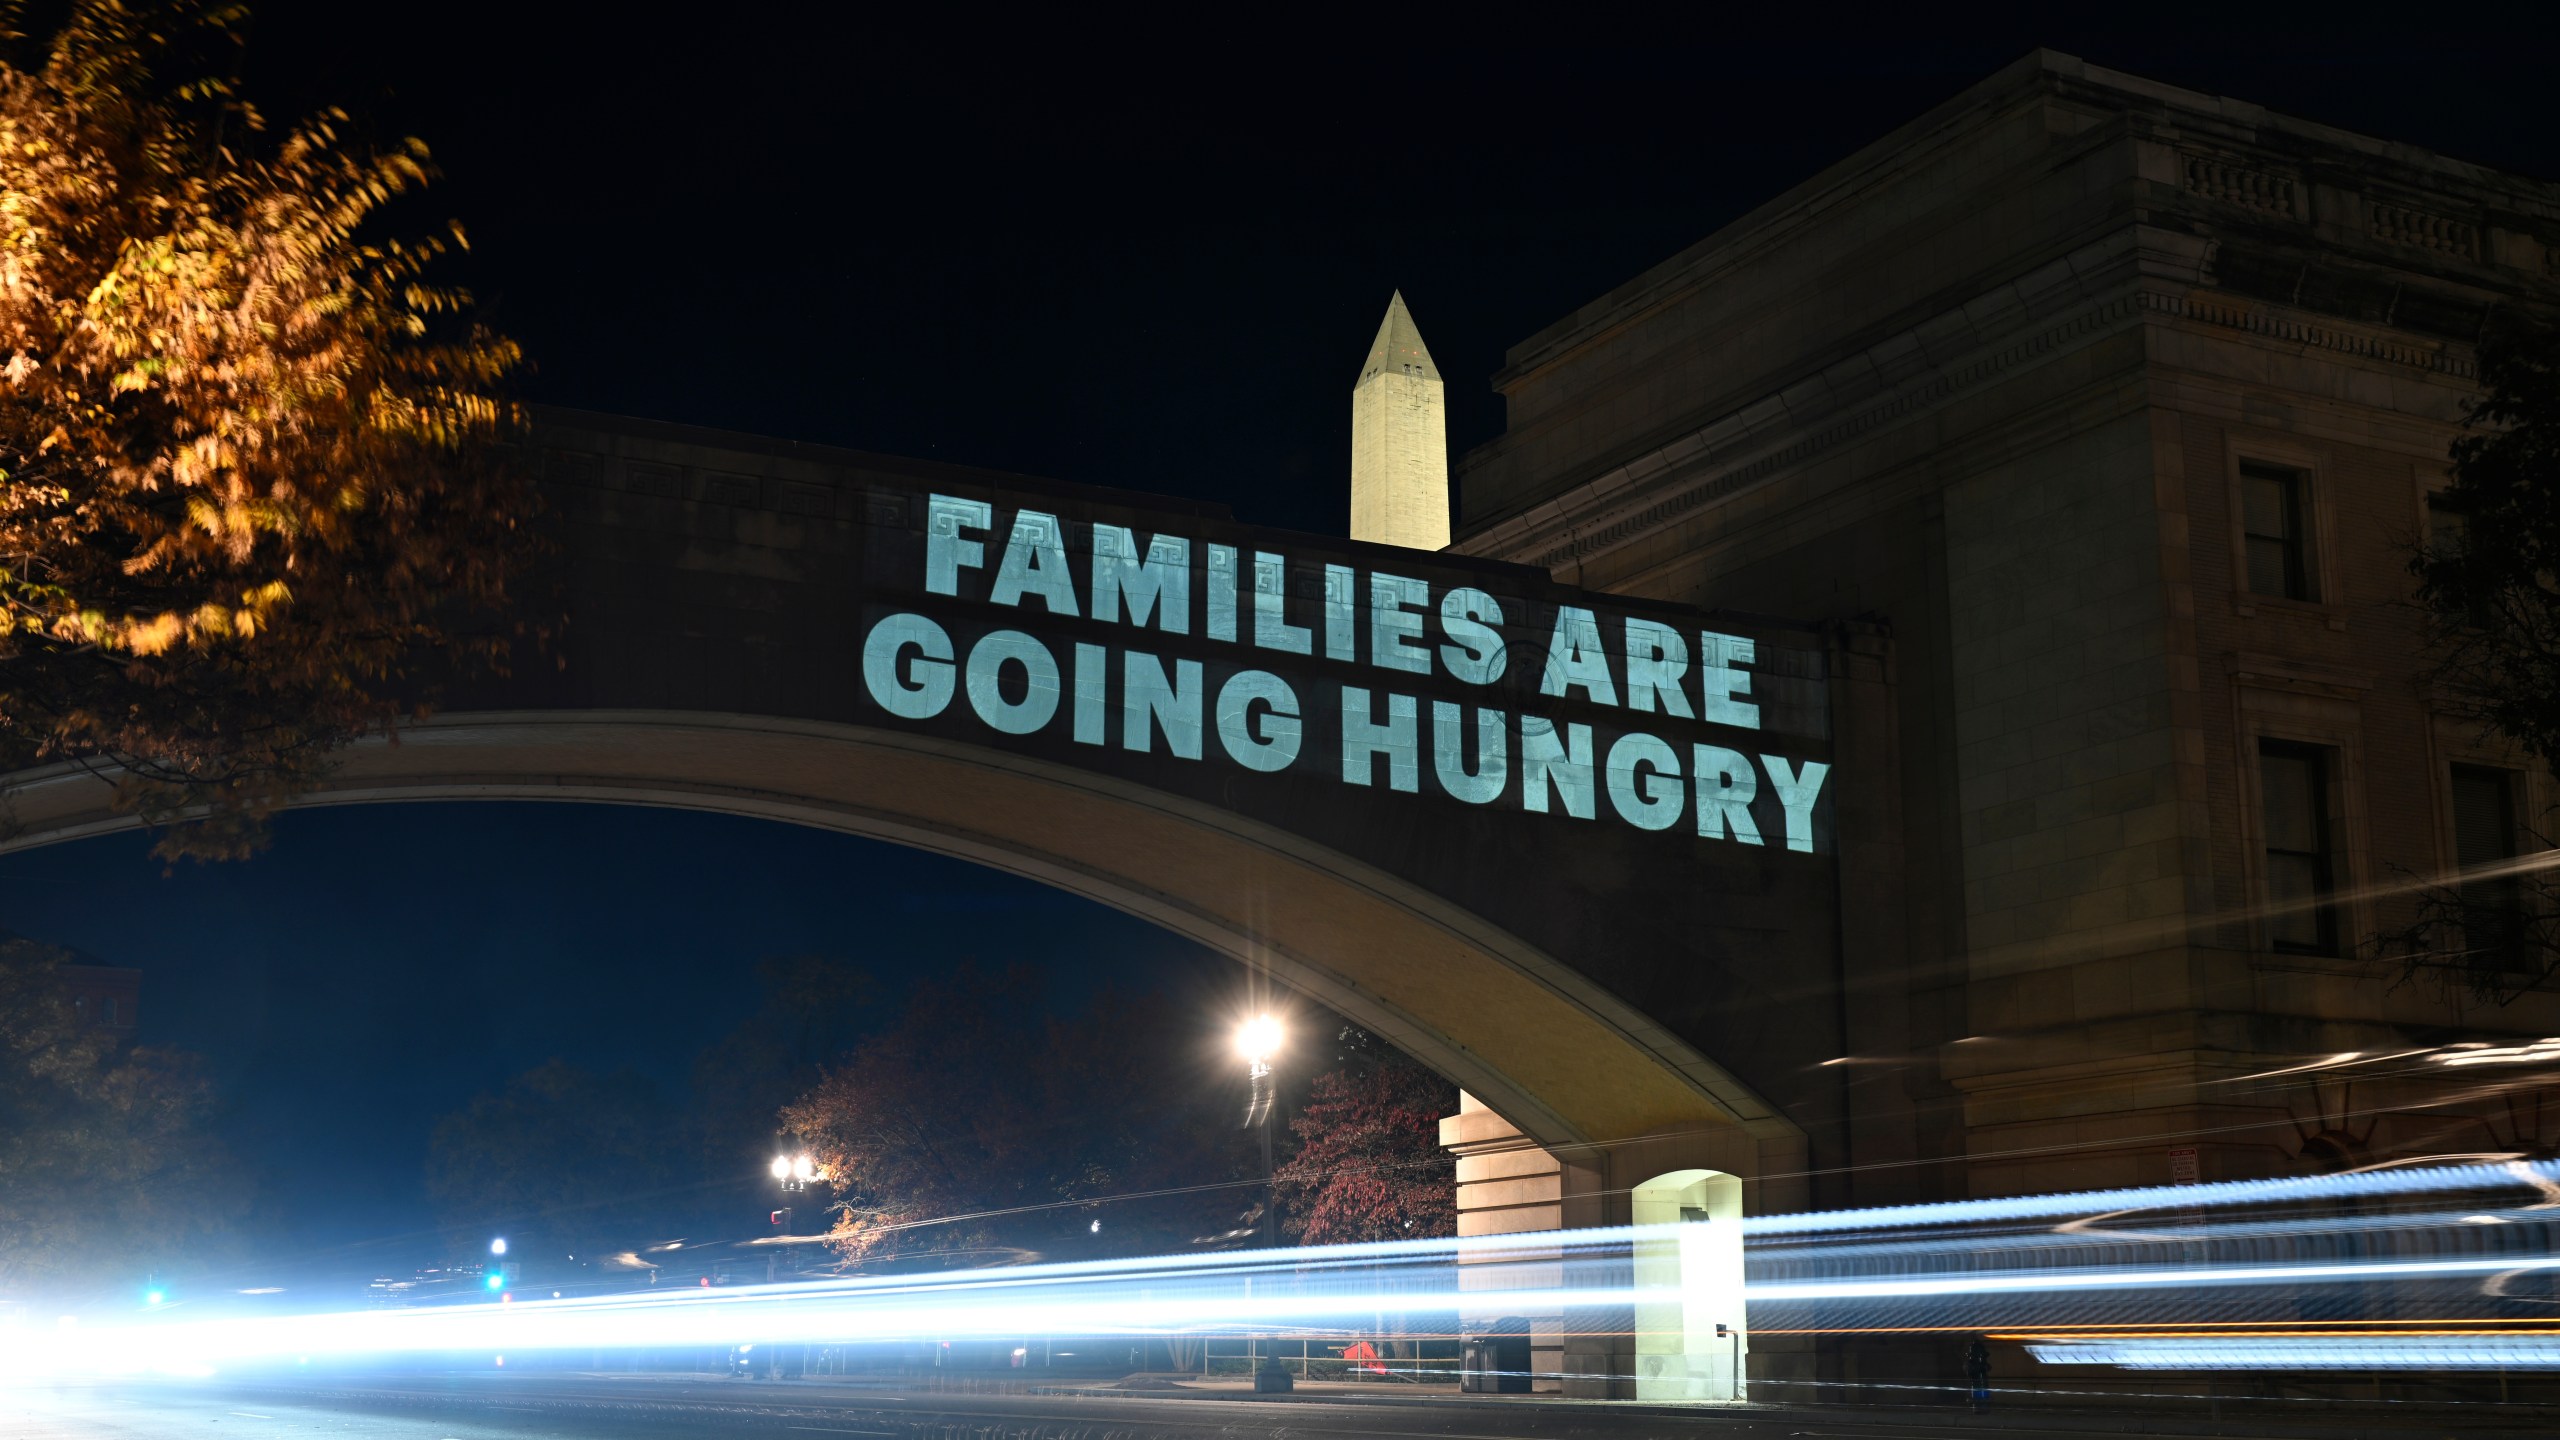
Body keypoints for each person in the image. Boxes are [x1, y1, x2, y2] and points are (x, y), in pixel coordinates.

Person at [1964, 1337, 1992, 1413]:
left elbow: (1988, 1368)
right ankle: (1978, 1408)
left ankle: (1982, 1408)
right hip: (1976, 1383)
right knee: (1978, 1397)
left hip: (1980, 1383)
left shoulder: (1980, 1363)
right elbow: (1969, 1371)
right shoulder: (1972, 1364)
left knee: (1982, 1396)